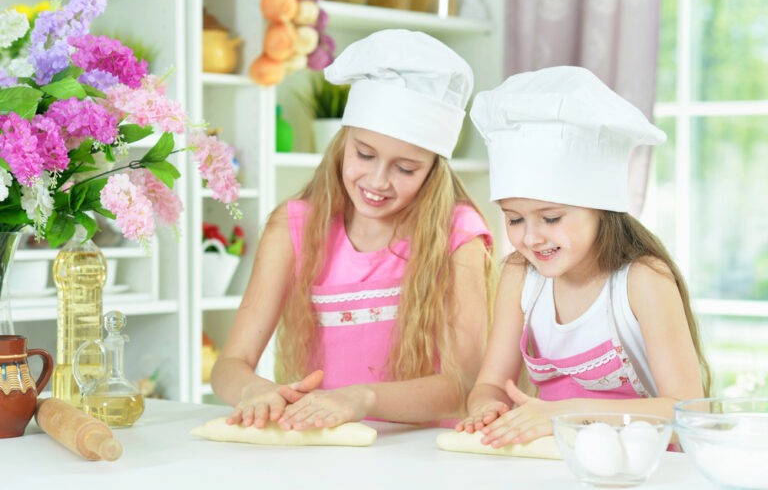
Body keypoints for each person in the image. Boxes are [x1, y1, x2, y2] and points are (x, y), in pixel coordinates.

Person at [211, 29, 495, 431]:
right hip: (325, 451)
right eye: (364, 154)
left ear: (433, 170)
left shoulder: (458, 233)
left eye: (405, 168)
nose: (378, 181)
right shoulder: (293, 227)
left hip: (424, 455)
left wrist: (364, 398)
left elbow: (463, 384)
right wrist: (252, 390)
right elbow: (229, 365)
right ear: (344, 142)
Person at [457, 66, 710, 448]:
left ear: (601, 208)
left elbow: (688, 414)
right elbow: (490, 384)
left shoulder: (643, 281)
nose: (531, 237)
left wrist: (564, 414)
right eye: (514, 219)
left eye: (552, 218)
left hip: (645, 470)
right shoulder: (521, 275)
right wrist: (488, 408)